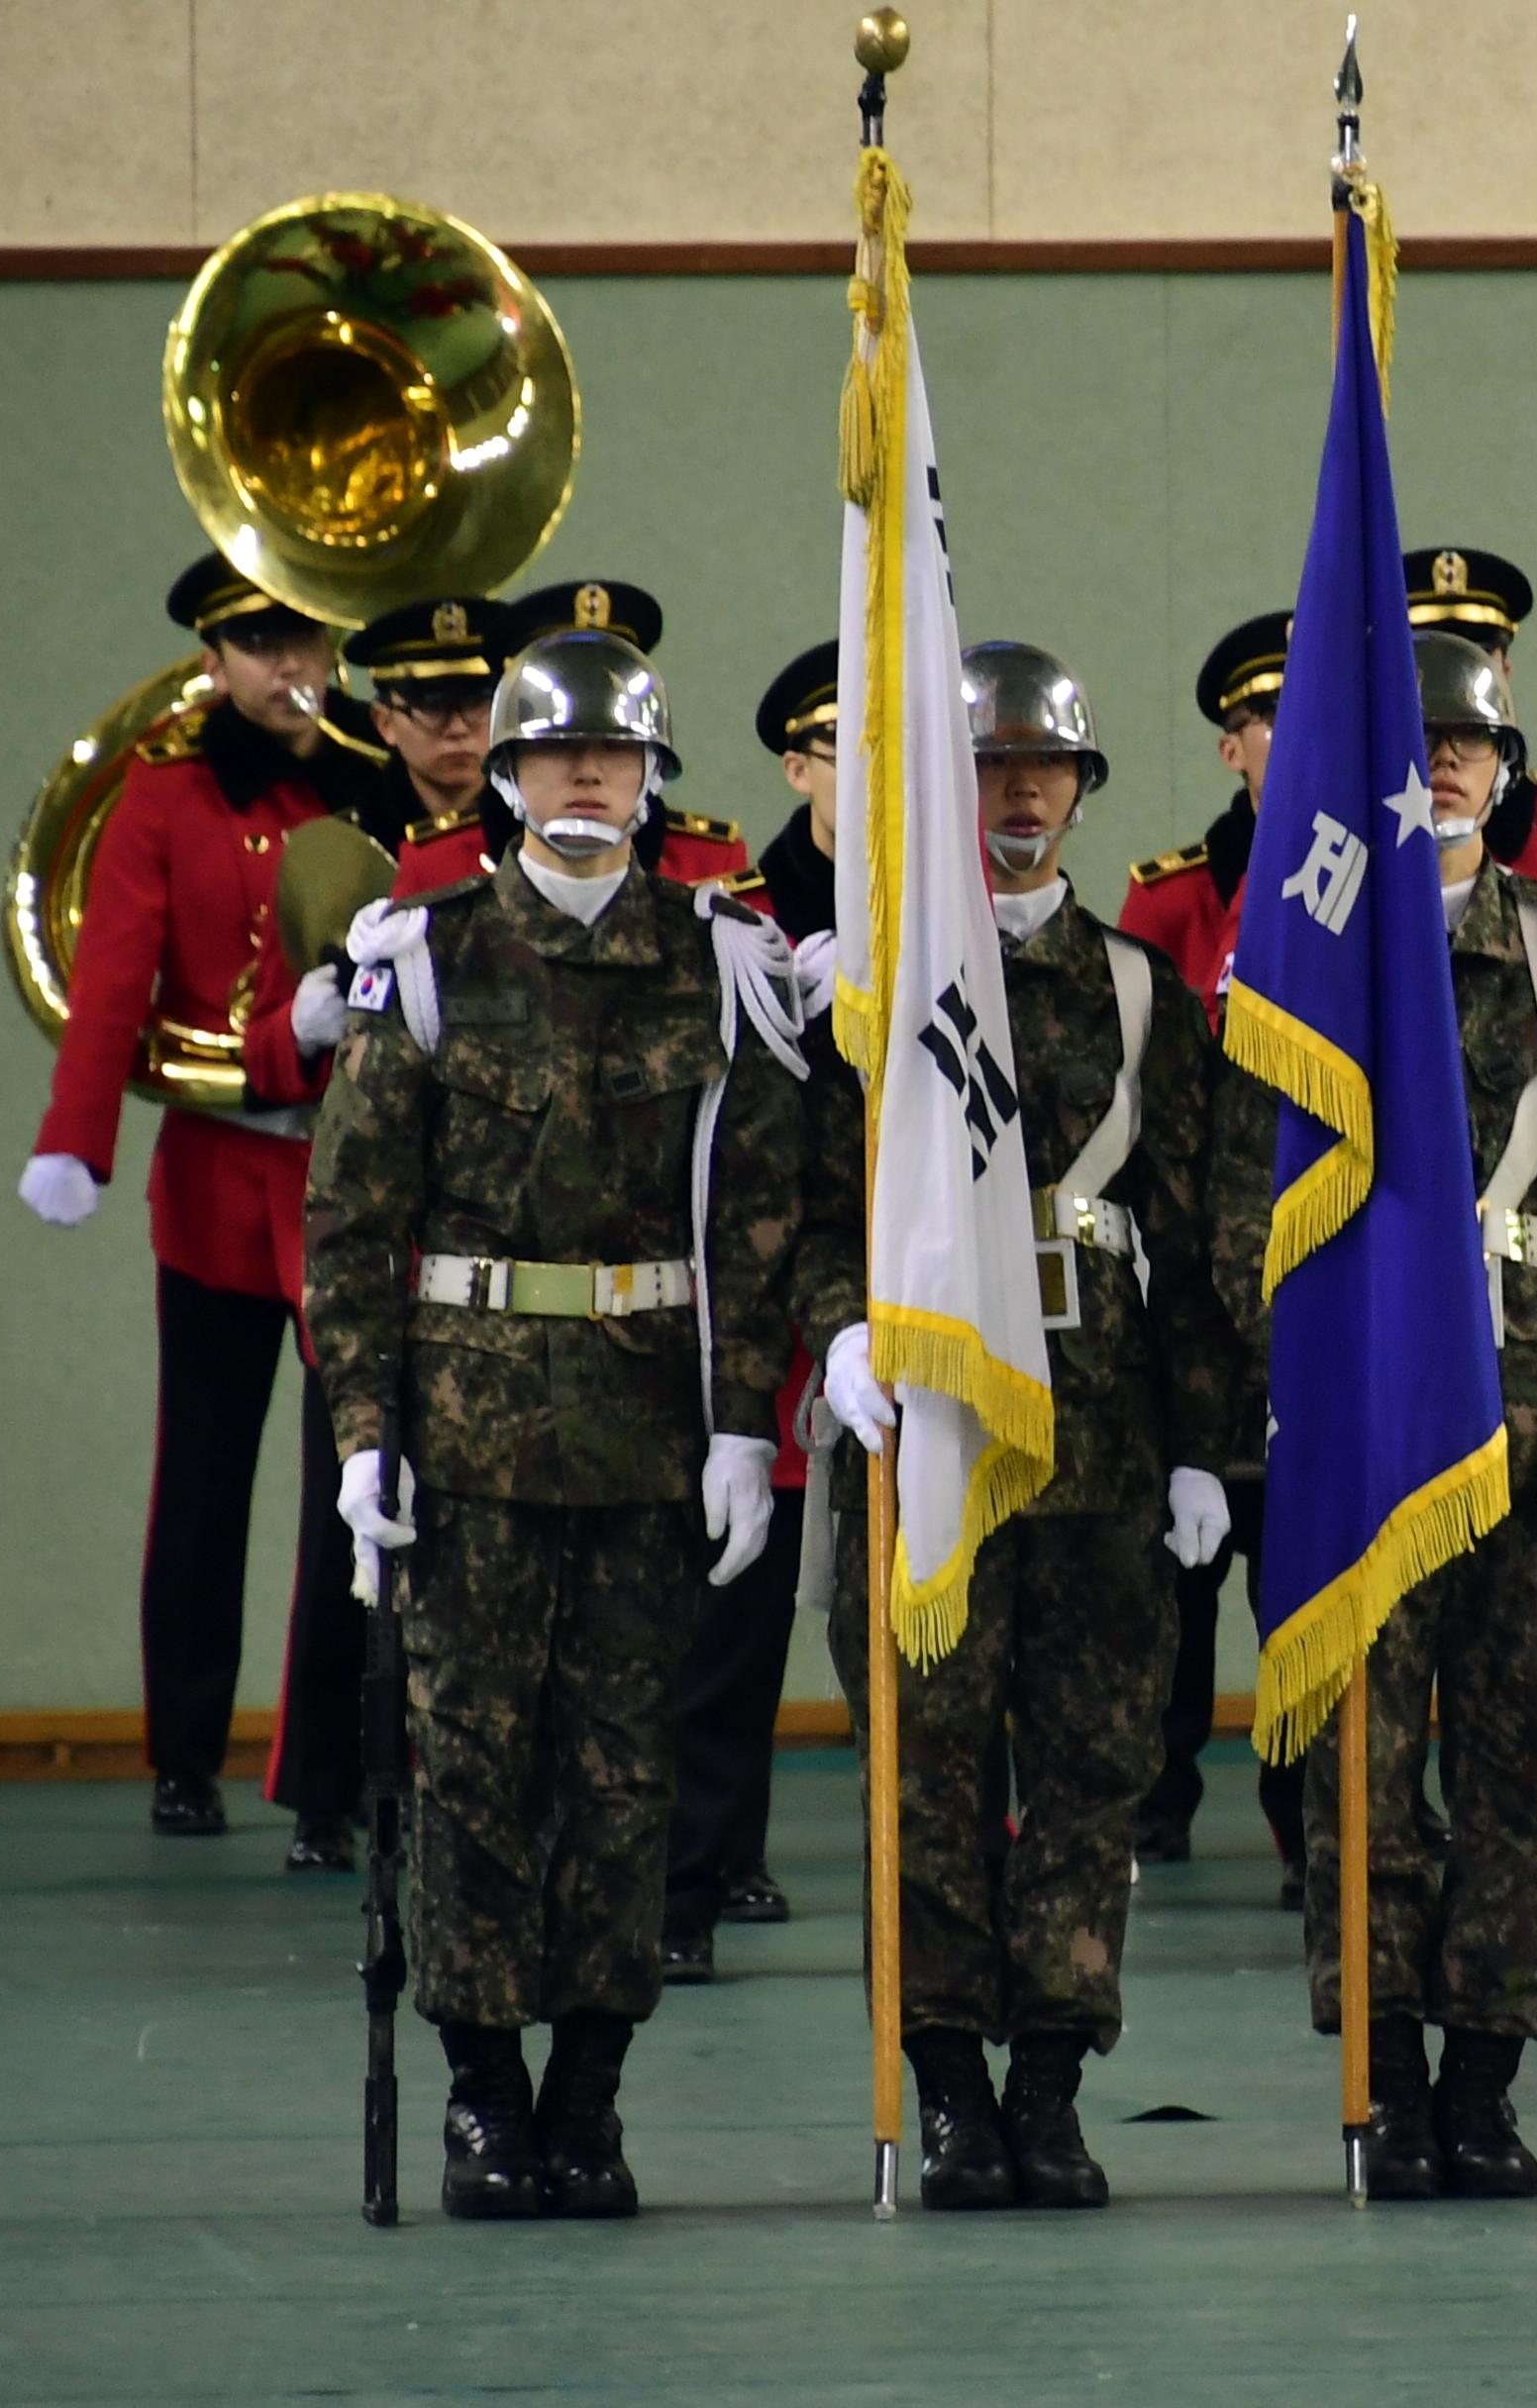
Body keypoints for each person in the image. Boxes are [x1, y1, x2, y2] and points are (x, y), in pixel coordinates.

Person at [306, 624, 821, 2218]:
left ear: (655, 780)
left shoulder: (718, 960)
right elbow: (352, 1220)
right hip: (468, 1439)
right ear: (511, 779)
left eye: (613, 756)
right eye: (553, 756)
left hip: (652, 1432)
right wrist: (364, 1436)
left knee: (620, 1781)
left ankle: (590, 2096)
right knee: (467, 1775)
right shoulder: (431, 957)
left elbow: (762, 1218)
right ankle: (481, 2094)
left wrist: (752, 1425)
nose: (584, 778)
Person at [1215, 633, 1537, 2200]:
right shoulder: (1305, 948)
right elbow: (1242, 1213)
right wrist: (1278, 1400)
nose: (1449, 766)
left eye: (1472, 746)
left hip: (1534, 1427)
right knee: (1356, 1776)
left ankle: (1482, 2076)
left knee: (1518, 1770)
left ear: (1505, 772)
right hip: (1362, 1421)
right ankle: (1384, 2076)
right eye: (1419, 744)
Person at [834, 642, 1239, 2212]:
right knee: (928, 1774)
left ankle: (1052, 2085)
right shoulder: (883, 981)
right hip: (936, 1427)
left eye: (1045, 772)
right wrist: (839, 1329)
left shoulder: (1139, 988)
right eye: (991, 769)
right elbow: (812, 1196)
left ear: (1081, 792)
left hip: (1104, 1440)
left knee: (1089, 1775)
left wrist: (1209, 1444)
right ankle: (946, 2087)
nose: (1019, 797)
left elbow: (1196, 1240)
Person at [17, 552, 377, 1843]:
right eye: (264, 648)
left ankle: (329, 1781)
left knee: (352, 1491)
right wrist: (78, 1140)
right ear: (213, 664)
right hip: (222, 1180)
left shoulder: (370, 778)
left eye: (310, 646)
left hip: (352, 1180)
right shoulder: (161, 800)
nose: (295, 672)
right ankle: (183, 1751)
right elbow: (114, 979)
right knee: (206, 1477)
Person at [242, 592, 527, 1872]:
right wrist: (306, 1021)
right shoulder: (342, 845)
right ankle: (327, 1789)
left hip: (514, 1229)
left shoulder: (551, 844)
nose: (456, 728)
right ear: (383, 715)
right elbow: (273, 1047)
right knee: (345, 1512)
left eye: (477, 702)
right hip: (388, 1234)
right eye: (427, 705)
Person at [660, 640, 848, 1981]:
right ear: (797, 765)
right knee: (734, 1605)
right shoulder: (731, 921)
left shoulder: (959, 907)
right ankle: (705, 1856)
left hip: (919, 1292)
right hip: (773, 1303)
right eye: (848, 749)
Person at [1121, 610, 1310, 1889]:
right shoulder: (1174, 895)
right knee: (1171, 1598)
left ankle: (1311, 1826)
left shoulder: (1383, 888)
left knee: (1304, 1600)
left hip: (1315, 1307)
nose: (1290, 746)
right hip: (1195, 1299)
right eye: (1266, 726)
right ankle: (1151, 1805)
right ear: (1232, 747)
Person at [386, 581, 751, 899]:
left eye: (615, 743)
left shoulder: (710, 864)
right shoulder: (436, 864)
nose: (588, 770)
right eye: (557, 744)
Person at [1406, 546, 1537, 882]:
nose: (1452, 678)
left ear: (1503, 672)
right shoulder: (1334, 829)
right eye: (1429, 661)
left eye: (1472, 662)